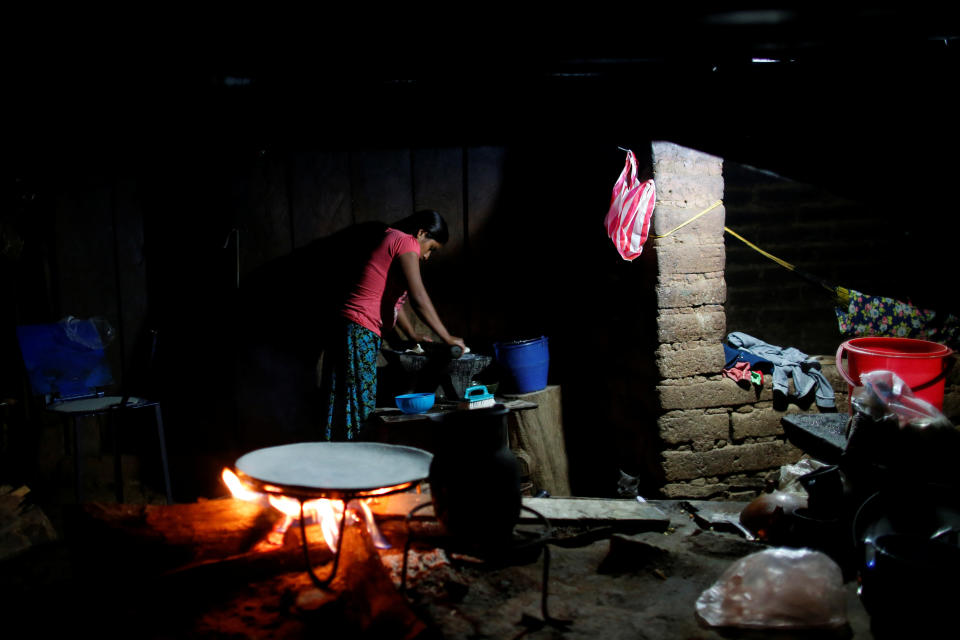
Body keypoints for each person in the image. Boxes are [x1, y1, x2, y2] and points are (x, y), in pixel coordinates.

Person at [319, 210, 465, 441]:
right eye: (431, 249)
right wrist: (447, 338)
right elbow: (418, 297)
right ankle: (359, 462)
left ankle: (337, 462)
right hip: (359, 330)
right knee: (359, 403)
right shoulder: (407, 242)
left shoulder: (390, 237)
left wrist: (412, 335)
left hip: (346, 327)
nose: (427, 257)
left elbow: (392, 302)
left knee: (341, 401)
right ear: (422, 233)